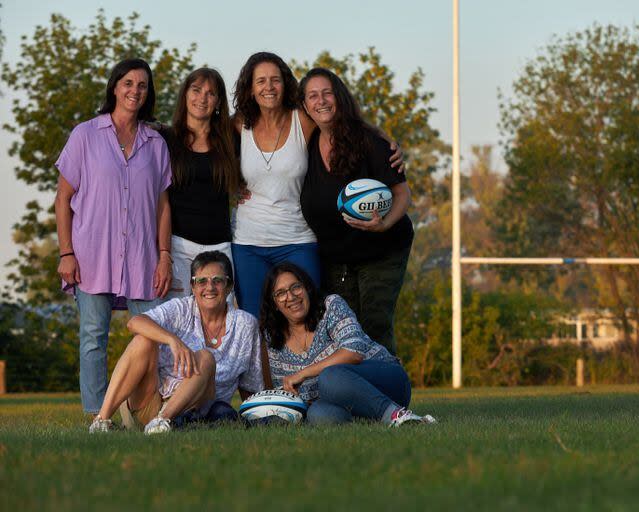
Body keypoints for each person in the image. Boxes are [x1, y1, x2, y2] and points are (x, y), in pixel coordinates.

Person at [230, 52, 403, 318]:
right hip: (249, 243)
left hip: (298, 239)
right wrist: (232, 186)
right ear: (250, 89)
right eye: (261, 81)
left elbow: (342, 123)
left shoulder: (302, 120)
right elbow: (206, 147)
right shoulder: (240, 124)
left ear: (285, 84)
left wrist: (385, 139)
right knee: (255, 325)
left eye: (275, 80)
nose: (269, 87)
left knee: (308, 322)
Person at [55, 58, 173, 417]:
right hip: (92, 255)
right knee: (93, 338)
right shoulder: (85, 135)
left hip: (142, 257)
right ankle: (97, 414)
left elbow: (162, 205)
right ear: (114, 87)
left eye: (142, 85)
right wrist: (66, 253)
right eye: (128, 83)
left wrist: (164, 254)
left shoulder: (155, 143)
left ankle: (146, 412)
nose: (135, 90)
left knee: (151, 337)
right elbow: (63, 200)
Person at [298, 68, 414, 356]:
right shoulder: (307, 142)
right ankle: (354, 398)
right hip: (336, 258)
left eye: (327, 93)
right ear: (304, 106)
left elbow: (402, 193)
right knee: (344, 330)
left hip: (382, 250)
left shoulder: (369, 143)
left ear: (340, 97)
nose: (321, 101)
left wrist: (384, 224)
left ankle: (390, 398)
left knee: (374, 325)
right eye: (313, 95)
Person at [89, 251, 266, 434]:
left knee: (205, 358)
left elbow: (250, 385)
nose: (209, 287)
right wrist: (173, 340)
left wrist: (258, 415)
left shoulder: (246, 324)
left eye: (217, 280)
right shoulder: (180, 308)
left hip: (198, 408)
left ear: (229, 286)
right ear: (193, 286)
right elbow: (134, 322)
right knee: (143, 339)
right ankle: (101, 420)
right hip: (150, 400)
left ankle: (161, 422)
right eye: (201, 281)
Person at [260, 262, 434, 426]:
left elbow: (353, 352)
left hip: (387, 382)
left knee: (330, 377)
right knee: (318, 415)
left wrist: (304, 373)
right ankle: (373, 420)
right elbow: (288, 394)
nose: (290, 297)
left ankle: (397, 414)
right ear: (274, 304)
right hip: (343, 401)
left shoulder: (330, 306)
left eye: (295, 287)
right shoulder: (273, 339)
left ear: (306, 288)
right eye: (280, 293)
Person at [161, 68, 240, 299]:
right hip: (179, 247)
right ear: (185, 94)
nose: (202, 98)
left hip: (220, 248)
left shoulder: (229, 139)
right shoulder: (165, 139)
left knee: (219, 325)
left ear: (218, 102)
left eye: (211, 93)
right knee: (179, 325)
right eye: (196, 90)